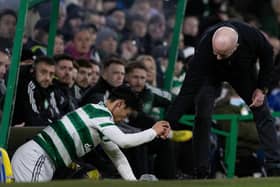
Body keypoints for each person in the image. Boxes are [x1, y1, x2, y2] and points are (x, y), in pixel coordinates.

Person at [165, 20, 280, 178]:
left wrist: (262, 88)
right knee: (203, 115)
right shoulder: (205, 49)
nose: (218, 57)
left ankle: (275, 165)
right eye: (216, 52)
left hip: (242, 72)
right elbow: (186, 93)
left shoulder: (252, 36)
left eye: (223, 54)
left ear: (236, 46)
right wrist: (167, 122)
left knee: (261, 110)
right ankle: (201, 170)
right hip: (209, 74)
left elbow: (267, 56)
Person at [11, 85, 170, 182]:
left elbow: (117, 156)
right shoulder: (99, 113)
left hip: (44, 161)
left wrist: (133, 182)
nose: (123, 119)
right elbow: (124, 141)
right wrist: (153, 131)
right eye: (126, 114)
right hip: (37, 157)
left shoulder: (99, 119)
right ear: (119, 104)